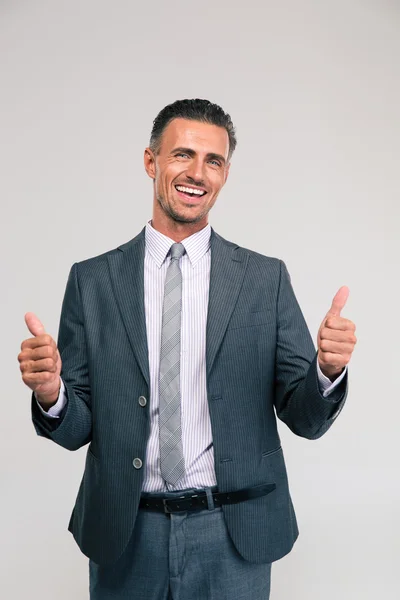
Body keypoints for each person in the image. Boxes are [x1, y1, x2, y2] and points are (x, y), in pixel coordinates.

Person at [18, 98, 357, 600]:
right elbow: (77, 429)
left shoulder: (264, 280)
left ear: (225, 174)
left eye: (213, 161)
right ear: (151, 161)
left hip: (232, 533)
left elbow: (305, 417)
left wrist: (326, 371)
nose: (197, 172)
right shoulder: (92, 281)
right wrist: (52, 394)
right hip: (127, 533)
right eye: (182, 155)